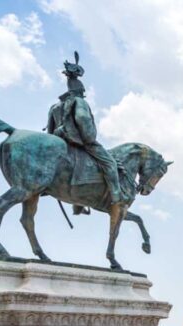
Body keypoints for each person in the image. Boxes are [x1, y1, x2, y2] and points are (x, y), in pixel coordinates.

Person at [46, 52, 125, 210]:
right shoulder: (79, 102)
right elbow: (83, 119)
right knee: (110, 163)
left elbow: (50, 129)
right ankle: (116, 196)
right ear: (80, 91)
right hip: (78, 139)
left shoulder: (55, 107)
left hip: (60, 141)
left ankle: (78, 205)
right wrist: (90, 138)